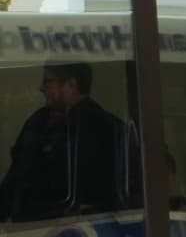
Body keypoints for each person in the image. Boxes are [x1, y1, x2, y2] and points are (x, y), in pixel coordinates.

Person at [0, 61, 142, 222]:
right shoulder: (38, 121)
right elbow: (16, 177)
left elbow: (126, 189)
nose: (41, 88)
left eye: (47, 82)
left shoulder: (106, 128)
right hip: (26, 229)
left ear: (71, 85)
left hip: (79, 232)